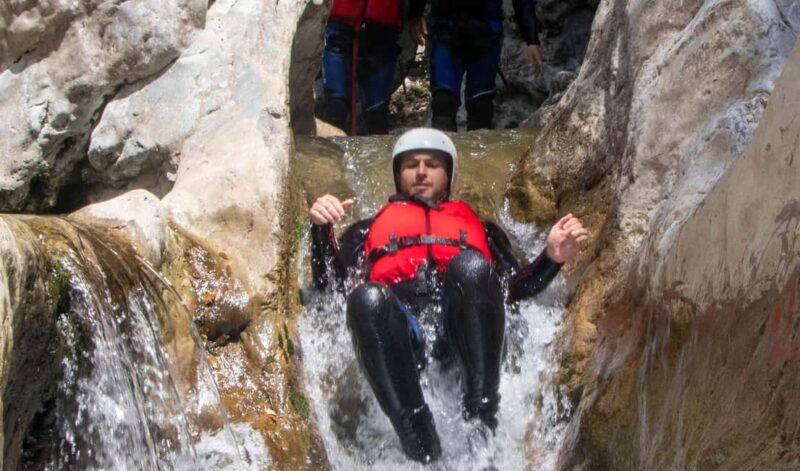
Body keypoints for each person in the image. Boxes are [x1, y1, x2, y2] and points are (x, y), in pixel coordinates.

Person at [308, 128, 588, 463]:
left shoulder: (482, 230)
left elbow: (512, 289)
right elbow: (332, 293)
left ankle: (482, 421)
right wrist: (321, 231)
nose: (422, 171)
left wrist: (551, 258)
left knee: (471, 267)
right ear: (398, 175)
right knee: (367, 298)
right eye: (411, 164)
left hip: (467, 335)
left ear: (448, 175)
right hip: (403, 341)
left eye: (432, 164)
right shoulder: (367, 230)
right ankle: (418, 436)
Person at [406, 0, 544, 131]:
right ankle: (442, 153)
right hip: (446, 30)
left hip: (486, 33)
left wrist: (532, 40)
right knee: (443, 102)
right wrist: (415, 13)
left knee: (480, 105)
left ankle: (478, 154)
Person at [316, 0, 424, 135]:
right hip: (339, 30)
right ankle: (328, 154)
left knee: (376, 118)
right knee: (335, 107)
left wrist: (416, 13)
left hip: (382, 34)